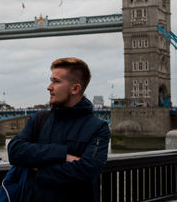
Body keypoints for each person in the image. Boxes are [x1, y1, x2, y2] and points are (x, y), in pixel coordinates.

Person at [7, 57, 110, 202]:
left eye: (56, 81)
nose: (49, 87)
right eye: (51, 80)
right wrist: (62, 155)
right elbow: (14, 151)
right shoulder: (39, 119)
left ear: (75, 88)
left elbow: (87, 171)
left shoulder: (99, 128)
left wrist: (37, 169)